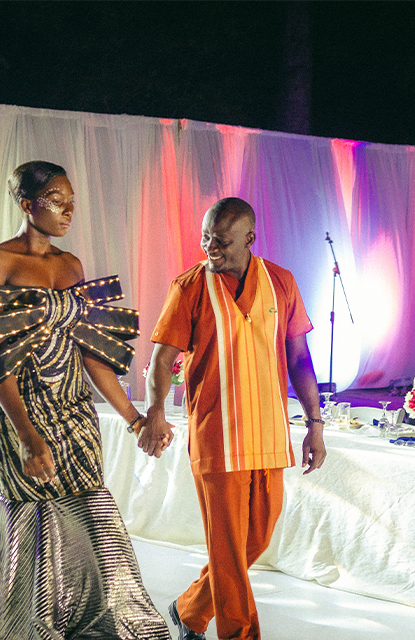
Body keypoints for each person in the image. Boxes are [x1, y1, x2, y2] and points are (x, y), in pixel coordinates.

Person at [0, 162, 168, 639]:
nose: (69, 210)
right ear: (26, 203)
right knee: (30, 513)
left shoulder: (70, 265)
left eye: (72, 200)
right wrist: (27, 434)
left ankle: (107, 618)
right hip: (18, 408)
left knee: (91, 510)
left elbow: (92, 352)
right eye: (57, 199)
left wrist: (134, 418)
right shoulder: (0, 263)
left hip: (73, 406)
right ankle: (21, 626)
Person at [139, 197, 326, 640]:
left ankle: (188, 609)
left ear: (249, 238)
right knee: (227, 552)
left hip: (269, 435)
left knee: (253, 542)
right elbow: (163, 359)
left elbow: (299, 358)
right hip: (216, 437)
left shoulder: (281, 281)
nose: (209, 247)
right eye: (205, 237)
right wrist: (156, 413)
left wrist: (315, 426)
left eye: (220, 240)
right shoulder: (189, 287)